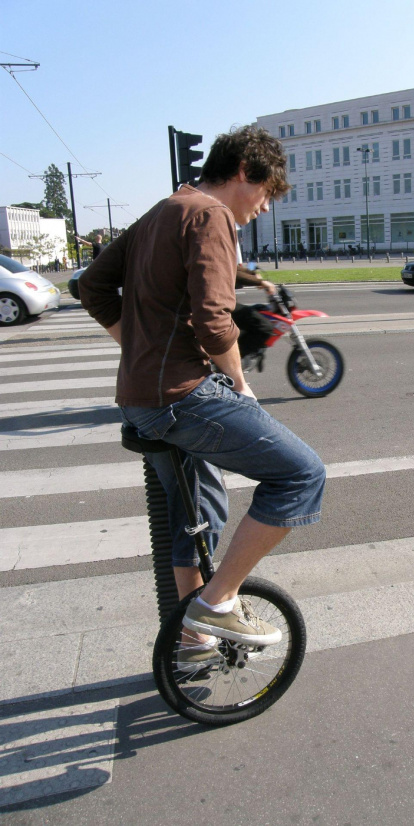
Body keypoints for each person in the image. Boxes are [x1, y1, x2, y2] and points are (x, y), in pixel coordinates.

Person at [79, 125, 326, 663]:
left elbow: (92, 284)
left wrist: (136, 348)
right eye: (266, 193)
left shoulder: (162, 210)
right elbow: (215, 322)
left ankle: (192, 641)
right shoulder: (212, 215)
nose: (264, 206)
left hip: (143, 398)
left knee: (197, 511)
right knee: (301, 475)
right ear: (243, 172)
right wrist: (241, 387)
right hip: (184, 395)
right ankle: (216, 603)